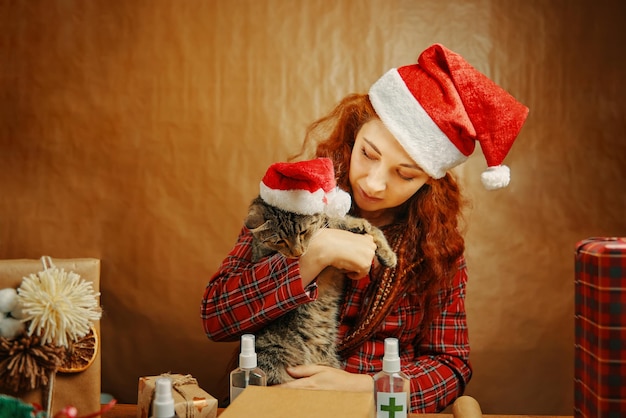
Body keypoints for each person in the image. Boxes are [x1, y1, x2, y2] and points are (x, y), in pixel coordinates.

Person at [201, 43, 529, 413]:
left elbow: (451, 365)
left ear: (429, 181)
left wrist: (364, 387)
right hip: (276, 403)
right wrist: (315, 253)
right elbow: (216, 318)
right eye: (368, 154)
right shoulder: (294, 198)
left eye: (404, 174)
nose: (374, 183)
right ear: (353, 136)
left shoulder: (438, 247)